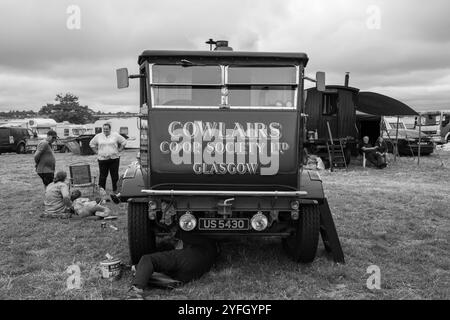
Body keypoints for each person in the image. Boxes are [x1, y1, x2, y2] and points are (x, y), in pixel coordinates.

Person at [127, 232, 219, 299]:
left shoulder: (180, 256)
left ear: (180, 242)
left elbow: (147, 259)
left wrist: (139, 269)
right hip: (194, 269)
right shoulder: (211, 249)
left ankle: (136, 291)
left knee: (147, 260)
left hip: (185, 267)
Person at [89, 123, 126, 194]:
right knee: (102, 176)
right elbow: (91, 144)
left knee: (115, 176)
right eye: (104, 129)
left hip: (114, 159)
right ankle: (102, 191)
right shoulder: (98, 136)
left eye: (107, 129)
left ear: (110, 129)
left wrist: (120, 149)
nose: (105, 130)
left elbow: (124, 141)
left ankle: (116, 191)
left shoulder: (115, 135)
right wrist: (96, 151)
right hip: (102, 159)